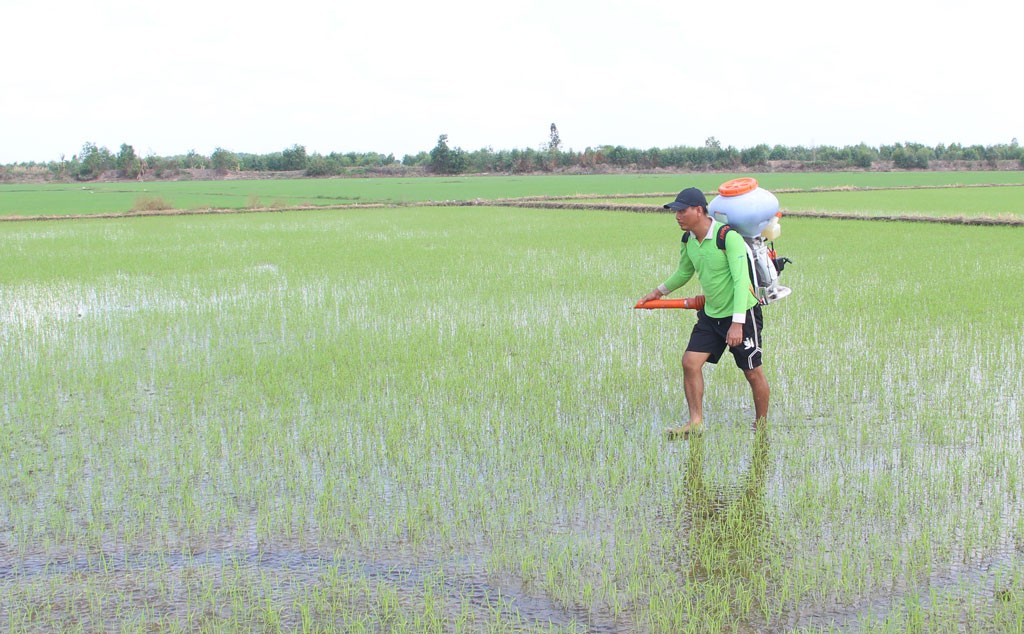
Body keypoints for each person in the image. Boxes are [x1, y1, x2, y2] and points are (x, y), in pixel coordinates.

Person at [638, 187, 769, 437]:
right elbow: (684, 272)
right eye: (675, 211)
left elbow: (742, 282)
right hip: (711, 314)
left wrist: (737, 323)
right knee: (690, 362)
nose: (677, 216)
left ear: (699, 210)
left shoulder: (727, 237)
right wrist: (658, 292)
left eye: (681, 210)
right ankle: (695, 422)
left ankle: (761, 425)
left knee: (752, 371)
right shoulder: (688, 240)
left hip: (741, 313)